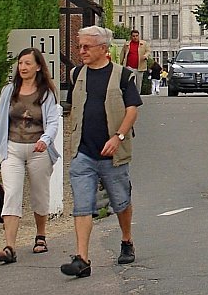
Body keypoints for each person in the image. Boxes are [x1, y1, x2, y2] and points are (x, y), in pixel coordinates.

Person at [61, 26, 142, 279]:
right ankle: (82, 258)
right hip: (83, 152)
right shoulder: (77, 75)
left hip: (113, 154)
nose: (81, 51)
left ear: (104, 49)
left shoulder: (122, 76)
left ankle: (126, 239)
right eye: (80, 46)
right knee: (82, 205)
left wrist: (118, 137)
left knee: (121, 201)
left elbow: (132, 109)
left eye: (87, 47)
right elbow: (74, 108)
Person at [0, 48, 60, 264]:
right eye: (20, 63)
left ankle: (41, 235)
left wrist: (45, 140)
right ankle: (9, 246)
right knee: (12, 194)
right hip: (12, 149)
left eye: (27, 63)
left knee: (39, 194)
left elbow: (53, 121)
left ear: (37, 66)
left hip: (38, 150)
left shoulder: (46, 93)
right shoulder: (9, 91)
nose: (23, 67)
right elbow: (0, 124)